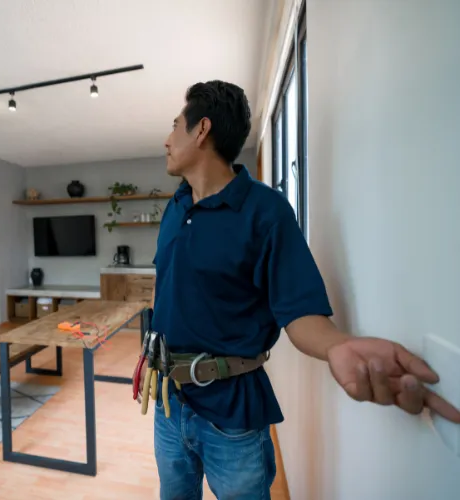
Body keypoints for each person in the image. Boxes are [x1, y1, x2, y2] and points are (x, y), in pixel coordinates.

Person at [138, 80, 460, 500]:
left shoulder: (265, 211)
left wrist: (338, 345)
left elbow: (299, 312)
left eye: (174, 126)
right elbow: (164, 282)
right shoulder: (176, 206)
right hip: (168, 404)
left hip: (231, 415)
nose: (167, 140)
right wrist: (151, 349)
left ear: (201, 130)